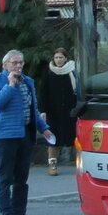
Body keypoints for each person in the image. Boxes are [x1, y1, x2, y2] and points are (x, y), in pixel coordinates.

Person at [0, 49, 53, 215]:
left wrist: (44, 128)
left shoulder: (28, 82)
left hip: (25, 135)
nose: (18, 66)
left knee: (21, 179)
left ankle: (20, 213)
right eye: (14, 63)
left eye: (21, 62)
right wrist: (10, 85)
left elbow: (33, 110)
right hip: (5, 136)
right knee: (5, 177)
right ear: (5, 65)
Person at [38, 47, 77, 176]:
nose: (58, 60)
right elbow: (43, 91)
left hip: (70, 110)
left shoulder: (73, 70)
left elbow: (78, 90)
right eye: (56, 57)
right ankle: (52, 164)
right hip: (53, 111)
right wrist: (43, 110)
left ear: (66, 58)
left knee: (76, 137)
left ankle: (81, 163)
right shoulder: (49, 71)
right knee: (53, 139)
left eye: (61, 57)